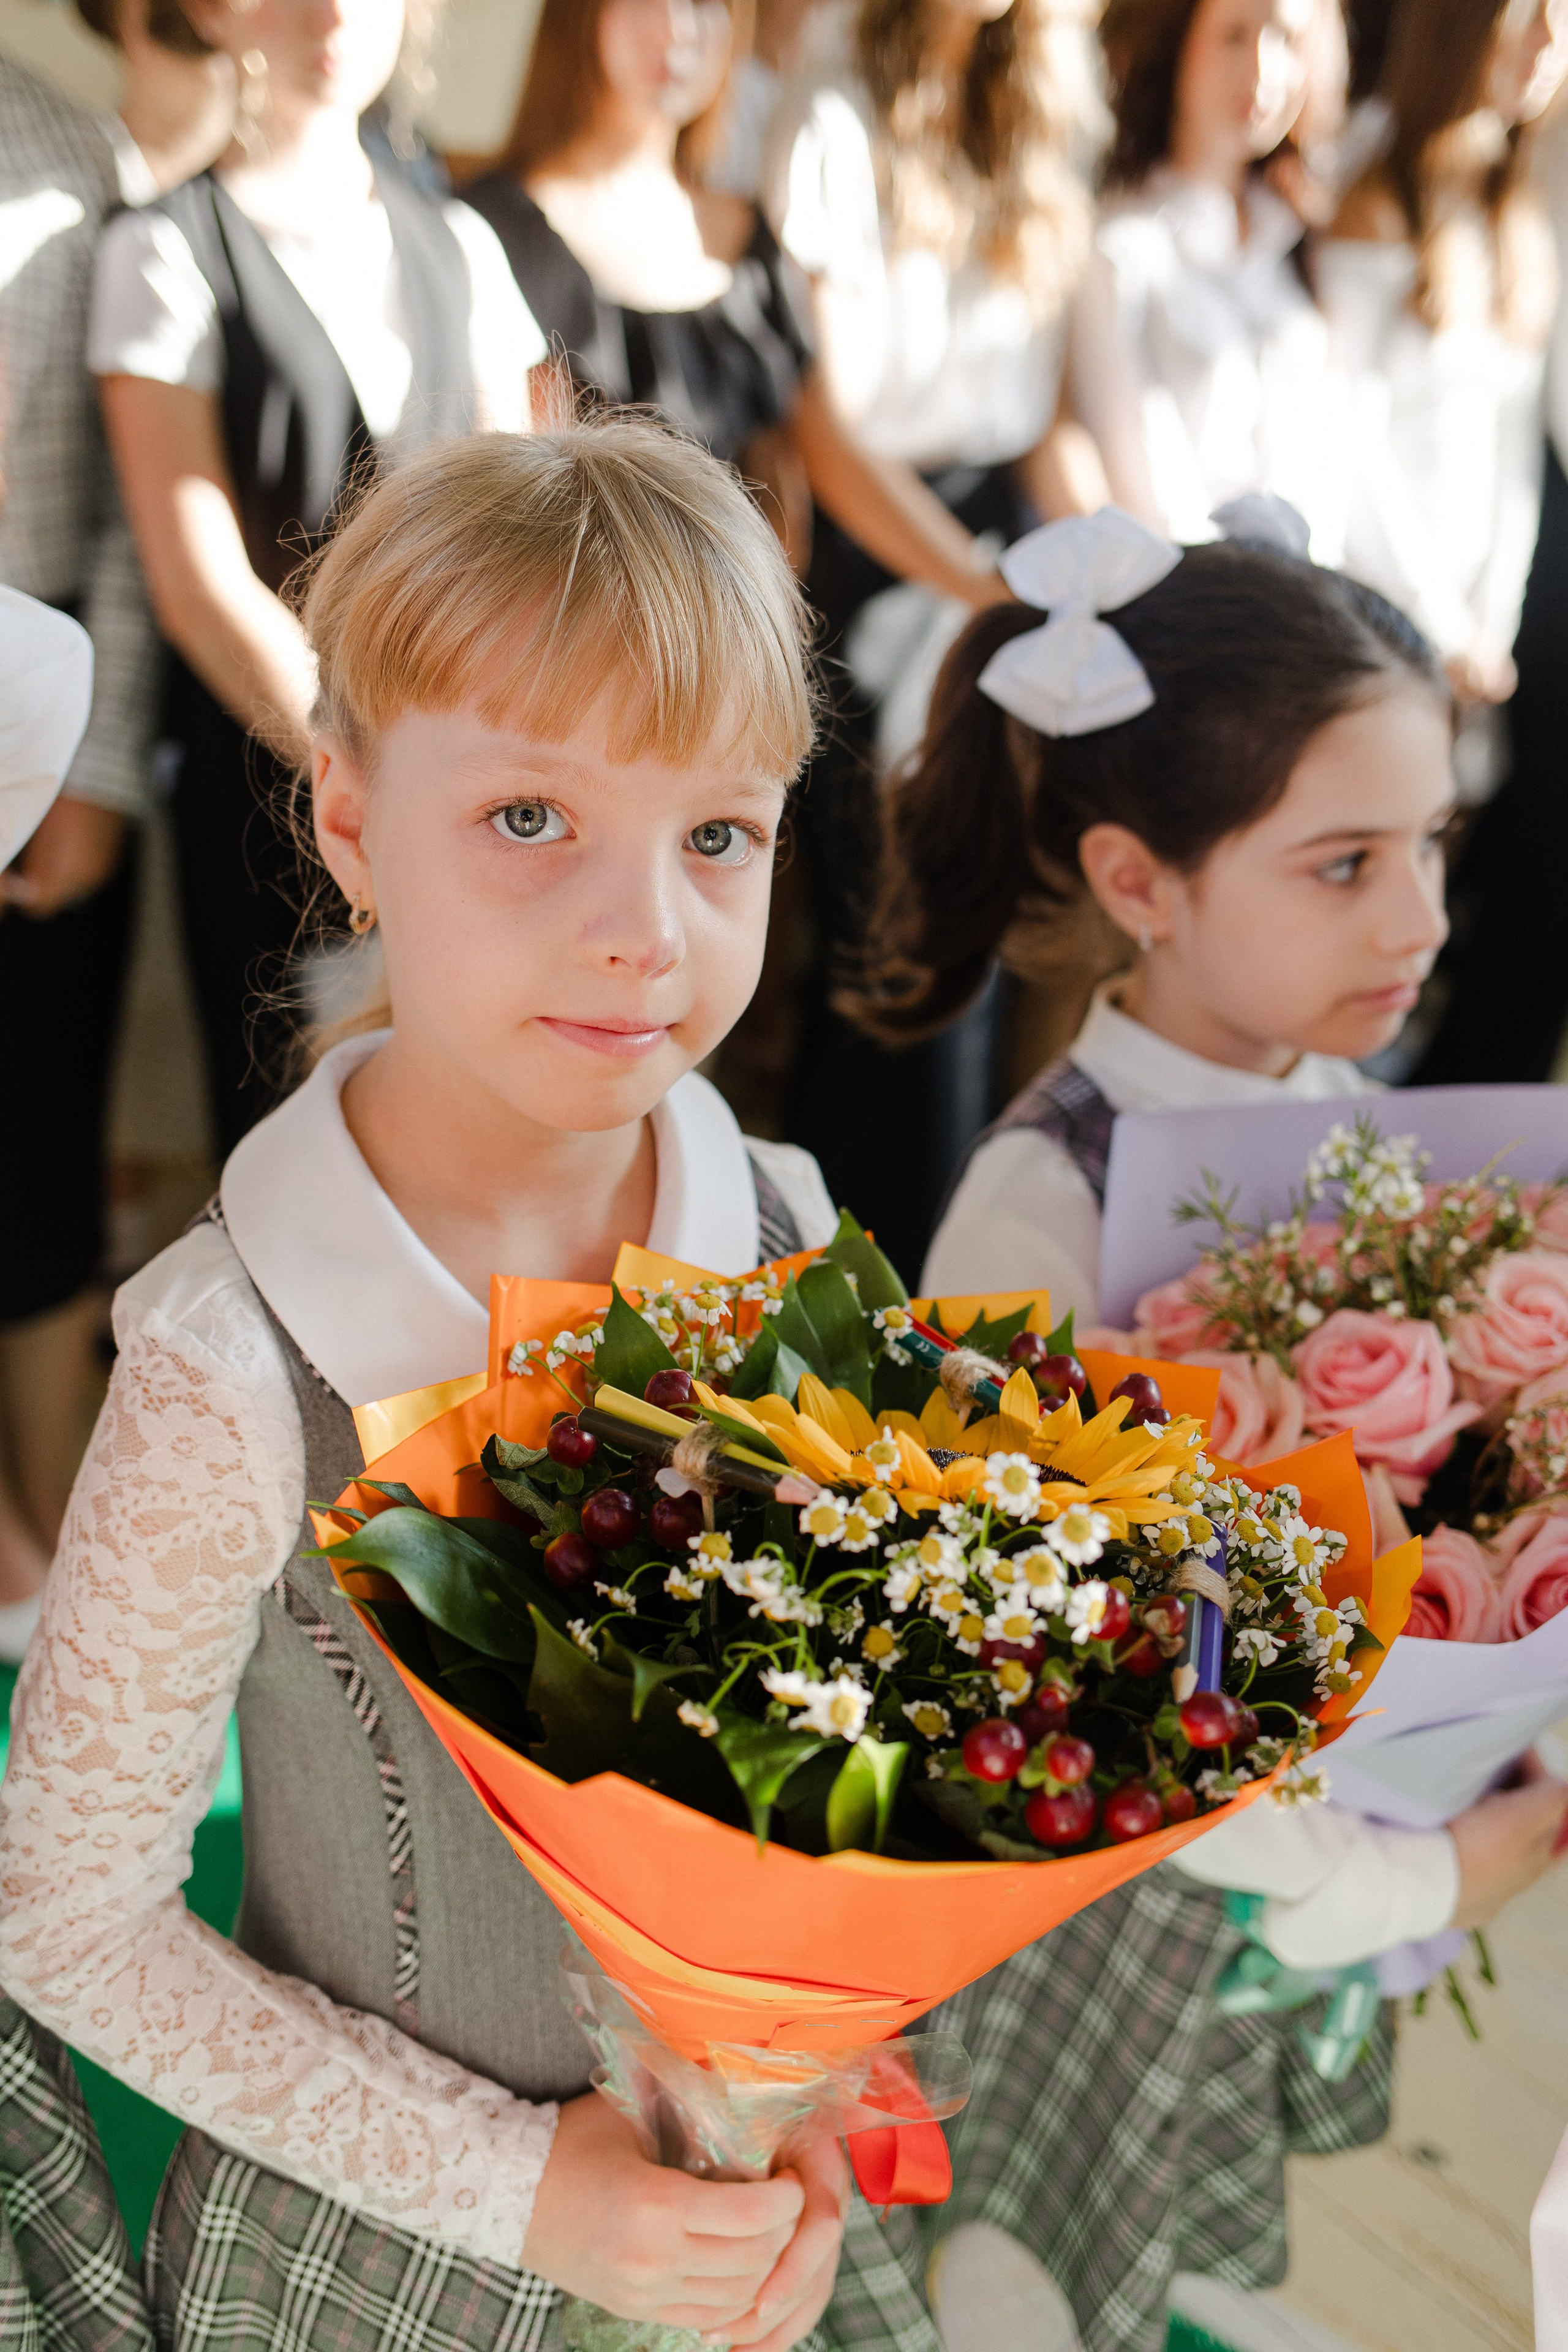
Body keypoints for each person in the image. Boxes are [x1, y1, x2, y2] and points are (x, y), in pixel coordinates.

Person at [0, 417, 963, 2352]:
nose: (645, 927)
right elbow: (68, 1913)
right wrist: (534, 2189)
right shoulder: (228, 1363)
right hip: (393, 2272)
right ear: (349, 820)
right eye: (531, 817)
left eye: (718, 834)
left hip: (749, 2218)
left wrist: (816, 2060)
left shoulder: (779, 1214)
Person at [846, 505, 1568, 2352]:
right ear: (1138, 877)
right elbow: (1025, 1683)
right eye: (1340, 864)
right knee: (1025, 2255)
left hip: (1297, 1867)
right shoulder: (1036, 1210)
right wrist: (1398, 1873)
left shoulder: (1380, 1139)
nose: (1417, 918)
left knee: (1185, 2207)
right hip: (1103, 1893)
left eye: (1430, 845)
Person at [91, 0, 546, 1159]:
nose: (334, 11)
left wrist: (485, 786)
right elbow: (198, 578)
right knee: (309, 1147)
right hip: (278, 797)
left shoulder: (462, 245)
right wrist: (374, 785)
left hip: (484, 791)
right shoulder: (162, 248)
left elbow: (525, 526)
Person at [761, 0, 1104, 1278]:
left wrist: (1114, 583)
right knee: (911, 880)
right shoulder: (834, 104)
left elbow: (1044, 424)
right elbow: (827, 429)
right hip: (880, 547)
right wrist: (974, 586)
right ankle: (864, 1274)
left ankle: (989, 1270)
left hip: (1007, 535)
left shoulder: (1045, 116)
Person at [0, 56, 166, 1654]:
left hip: (36, 701)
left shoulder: (63, 141)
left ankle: (49, 1534)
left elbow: (128, 500)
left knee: (40, 1134)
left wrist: (90, 760)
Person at [1316, 0, 1561, 802]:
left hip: (1476, 626)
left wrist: (1491, 620)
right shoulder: (1371, 193)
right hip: (1382, 611)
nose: (1548, 45)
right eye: (1527, 15)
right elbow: (1347, 438)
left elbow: (1514, 443)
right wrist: (1441, 626)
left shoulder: (1515, 218)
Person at [1075, 0, 1352, 559]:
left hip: (1316, 606)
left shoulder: (1298, 242)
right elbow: (1148, 501)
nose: (1261, 69)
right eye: (1232, 36)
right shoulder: (1119, 251)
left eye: (1288, 40)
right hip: (1209, 615)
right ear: (1178, 43)